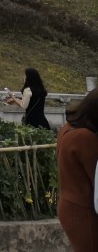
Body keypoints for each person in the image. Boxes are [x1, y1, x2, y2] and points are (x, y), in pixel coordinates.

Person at [56, 89, 98, 251]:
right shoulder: (84, 137)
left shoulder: (68, 128)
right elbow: (95, 175)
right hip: (82, 208)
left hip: (69, 203)